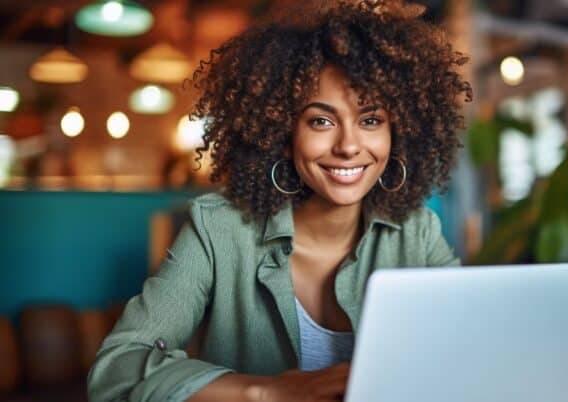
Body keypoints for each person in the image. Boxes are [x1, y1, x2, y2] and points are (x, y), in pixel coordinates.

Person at [87, 1, 472, 401]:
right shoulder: (219, 230)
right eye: (321, 121)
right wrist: (265, 391)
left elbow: (468, 347)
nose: (348, 146)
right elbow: (117, 369)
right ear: (284, 134)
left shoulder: (417, 232)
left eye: (371, 120)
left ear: (399, 133)